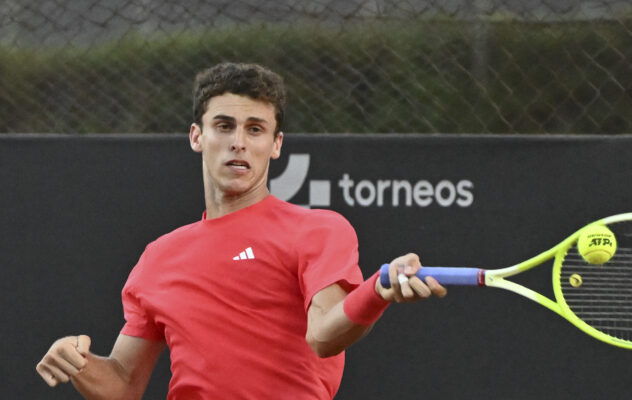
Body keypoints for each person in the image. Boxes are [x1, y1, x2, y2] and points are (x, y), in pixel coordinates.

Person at [35, 62, 447, 399]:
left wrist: (376, 291)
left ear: (276, 144)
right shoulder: (158, 258)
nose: (239, 142)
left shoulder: (318, 230)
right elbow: (123, 383)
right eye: (224, 126)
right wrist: (78, 363)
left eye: (255, 129)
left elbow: (323, 336)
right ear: (197, 136)